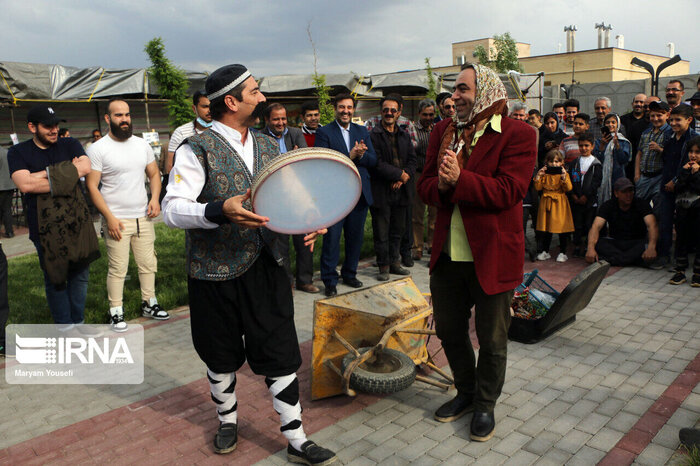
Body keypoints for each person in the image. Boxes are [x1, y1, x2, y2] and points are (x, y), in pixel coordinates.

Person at [162, 64, 336, 465]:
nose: (261, 98)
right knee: (219, 354)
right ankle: (228, 420)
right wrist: (219, 209)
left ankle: (297, 438)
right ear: (232, 101)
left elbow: (289, 194)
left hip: (267, 263)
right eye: (254, 92)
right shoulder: (195, 148)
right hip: (214, 272)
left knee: (280, 351)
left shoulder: (268, 144)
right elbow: (172, 211)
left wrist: (310, 221)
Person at [417, 63, 536, 442]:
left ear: (484, 90)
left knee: (492, 338)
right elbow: (424, 187)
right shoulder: (443, 131)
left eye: (464, 89)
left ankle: (485, 404)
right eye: (454, 90)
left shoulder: (519, 134)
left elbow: (509, 191)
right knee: (450, 331)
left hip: (493, 256)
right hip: (448, 256)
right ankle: (466, 393)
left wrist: (459, 180)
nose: (455, 96)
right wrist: (446, 187)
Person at [8, 105, 100, 333]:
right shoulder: (18, 152)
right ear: (32, 127)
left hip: (77, 221)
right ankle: (64, 327)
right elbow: (25, 184)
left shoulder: (70, 143)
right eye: (48, 126)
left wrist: (42, 174)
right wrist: (67, 172)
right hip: (44, 226)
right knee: (55, 276)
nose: (54, 130)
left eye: (56, 125)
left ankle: (78, 321)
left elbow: (86, 167)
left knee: (80, 274)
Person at [86, 98, 169, 332]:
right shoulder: (98, 148)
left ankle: (149, 303)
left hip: (143, 216)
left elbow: (154, 174)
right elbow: (92, 186)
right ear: (107, 119)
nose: (124, 119)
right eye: (118, 115)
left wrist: (155, 199)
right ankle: (116, 311)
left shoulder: (141, 145)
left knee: (148, 263)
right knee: (118, 268)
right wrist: (109, 218)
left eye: (127, 115)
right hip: (116, 220)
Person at [316, 94, 377, 297]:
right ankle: (330, 281)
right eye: (342, 107)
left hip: (358, 194)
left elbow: (373, 159)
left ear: (354, 109)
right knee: (332, 239)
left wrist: (362, 155)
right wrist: (349, 156)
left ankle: (350, 274)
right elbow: (323, 161)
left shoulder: (361, 130)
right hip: (335, 196)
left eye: (349, 108)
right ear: (335, 108)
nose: (346, 111)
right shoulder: (324, 132)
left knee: (355, 237)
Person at [262, 103, 319, 294]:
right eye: (276, 119)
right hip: (275, 197)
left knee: (304, 239)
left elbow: (303, 162)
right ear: (267, 120)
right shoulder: (260, 137)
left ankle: (305, 280)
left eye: (283, 118)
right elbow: (265, 166)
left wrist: (290, 159)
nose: (281, 123)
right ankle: (287, 284)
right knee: (281, 243)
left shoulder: (295, 133)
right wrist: (289, 158)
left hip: (298, 195)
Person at [369, 95, 416, 280]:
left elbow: (412, 160)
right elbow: (376, 163)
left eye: (393, 110)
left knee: (398, 229)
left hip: (402, 190)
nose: (389, 113)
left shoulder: (404, 135)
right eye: (386, 110)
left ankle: (395, 262)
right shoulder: (373, 136)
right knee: (381, 230)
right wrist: (398, 174)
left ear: (399, 112)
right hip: (382, 190)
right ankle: (383, 266)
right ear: (381, 112)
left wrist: (404, 176)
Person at [586, 178, 658, 267]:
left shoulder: (641, 204)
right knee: (599, 244)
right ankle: (631, 260)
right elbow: (595, 227)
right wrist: (590, 249)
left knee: (650, 245)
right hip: (616, 243)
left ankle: (612, 260)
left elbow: (652, 225)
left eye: (631, 191)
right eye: (624, 192)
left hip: (636, 243)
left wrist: (651, 247)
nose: (628, 195)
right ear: (616, 193)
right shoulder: (608, 205)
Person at [659, 105, 697, 269]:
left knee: (685, 225)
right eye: (671, 119)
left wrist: (675, 181)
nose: (673, 123)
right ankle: (665, 255)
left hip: (686, 188)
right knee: (665, 221)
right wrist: (667, 182)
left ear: (689, 120)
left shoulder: (695, 140)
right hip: (666, 186)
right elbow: (666, 161)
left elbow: (691, 164)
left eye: (678, 120)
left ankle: (685, 258)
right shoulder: (669, 137)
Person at [165, 91, 212, 202]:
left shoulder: (222, 131)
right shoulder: (181, 133)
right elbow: (171, 166)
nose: (210, 110)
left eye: (212, 106)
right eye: (205, 106)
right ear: (194, 108)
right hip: (190, 192)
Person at [670, 136, 700, 286]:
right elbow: (678, 187)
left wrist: (696, 174)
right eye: (691, 152)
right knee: (681, 240)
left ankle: (697, 273)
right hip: (682, 209)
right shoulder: (684, 168)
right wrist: (685, 173)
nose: (693, 155)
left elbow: (698, 188)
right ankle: (680, 271)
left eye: (697, 152)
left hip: (697, 211)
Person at [534, 149, 574, 262]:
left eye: (557, 161)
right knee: (546, 228)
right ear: (546, 162)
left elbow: (569, 188)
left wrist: (563, 177)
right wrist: (538, 176)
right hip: (546, 202)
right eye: (551, 161)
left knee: (561, 228)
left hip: (559, 202)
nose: (554, 164)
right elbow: (537, 188)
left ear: (562, 163)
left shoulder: (564, 173)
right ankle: (545, 251)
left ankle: (563, 252)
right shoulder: (544, 174)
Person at [567, 132, 602, 257]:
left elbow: (596, 182)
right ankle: (576, 246)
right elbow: (569, 180)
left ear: (592, 146)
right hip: (576, 200)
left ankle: (588, 246)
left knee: (589, 224)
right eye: (581, 146)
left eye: (586, 146)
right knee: (577, 225)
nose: (584, 148)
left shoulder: (596, 164)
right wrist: (573, 195)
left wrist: (586, 196)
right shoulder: (574, 163)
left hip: (589, 201)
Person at [634, 101, 672, 215]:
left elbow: (673, 156)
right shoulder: (646, 133)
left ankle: (656, 232)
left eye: (659, 115)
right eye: (653, 115)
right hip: (644, 177)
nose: (655, 118)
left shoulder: (670, 133)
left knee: (658, 209)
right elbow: (639, 153)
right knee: (639, 208)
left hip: (659, 177)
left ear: (667, 115)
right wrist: (637, 175)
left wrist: (659, 149)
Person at [412, 98, 437, 261]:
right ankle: (418, 246)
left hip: (435, 174)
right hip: (418, 174)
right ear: (419, 114)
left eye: (431, 114)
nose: (428, 118)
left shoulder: (438, 129)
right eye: (425, 114)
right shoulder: (413, 130)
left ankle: (433, 244)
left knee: (435, 213)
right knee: (417, 213)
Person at [593, 113, 631, 207]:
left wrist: (617, 146)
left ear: (618, 124)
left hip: (618, 177)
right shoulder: (598, 142)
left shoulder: (623, 141)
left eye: (613, 122)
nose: (610, 125)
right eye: (607, 122)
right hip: (602, 178)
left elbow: (624, 160)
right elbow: (596, 160)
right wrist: (602, 147)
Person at [626, 96, 662, 179]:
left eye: (652, 106)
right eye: (645, 106)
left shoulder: (669, 129)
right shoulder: (636, 126)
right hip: (641, 174)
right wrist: (636, 174)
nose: (648, 109)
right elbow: (636, 152)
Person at [0, 146, 16, 238]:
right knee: (7, 209)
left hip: (1, 186)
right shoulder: (6, 152)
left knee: (4, 209)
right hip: (9, 185)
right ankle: (9, 231)